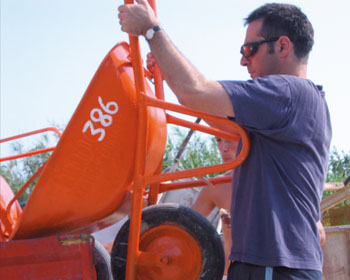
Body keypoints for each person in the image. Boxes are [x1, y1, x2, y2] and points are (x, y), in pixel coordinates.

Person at [118, 2, 332, 279]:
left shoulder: (287, 92)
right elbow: (213, 114)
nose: (244, 61)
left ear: (282, 46)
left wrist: (151, 31)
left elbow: (196, 92)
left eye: (249, 50)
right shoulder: (289, 107)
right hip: (273, 265)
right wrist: (165, 65)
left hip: (274, 265)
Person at [191, 137, 238, 278]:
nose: (223, 148)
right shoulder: (216, 186)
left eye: (230, 140)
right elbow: (181, 224)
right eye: (218, 140)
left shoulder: (271, 182)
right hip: (229, 273)